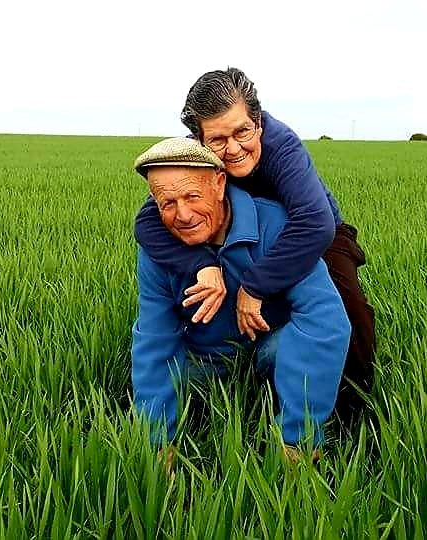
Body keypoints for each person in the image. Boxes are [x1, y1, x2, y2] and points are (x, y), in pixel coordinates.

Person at [134, 68, 376, 418]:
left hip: (313, 231)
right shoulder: (192, 163)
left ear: (258, 123)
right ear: (199, 139)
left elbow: (315, 223)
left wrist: (255, 286)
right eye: (218, 140)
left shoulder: (281, 146)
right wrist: (201, 264)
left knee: (342, 304)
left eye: (242, 132)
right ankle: (247, 365)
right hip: (235, 224)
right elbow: (148, 222)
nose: (233, 149)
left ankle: (352, 402)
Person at [130, 137, 350, 460]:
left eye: (192, 196)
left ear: (220, 184)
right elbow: (155, 337)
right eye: (168, 203)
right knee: (170, 377)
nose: (183, 215)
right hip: (207, 358)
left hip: (270, 350)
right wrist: (157, 445)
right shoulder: (157, 251)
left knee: (288, 345)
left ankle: (291, 429)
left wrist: (298, 440)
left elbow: (326, 318)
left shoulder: (275, 226)